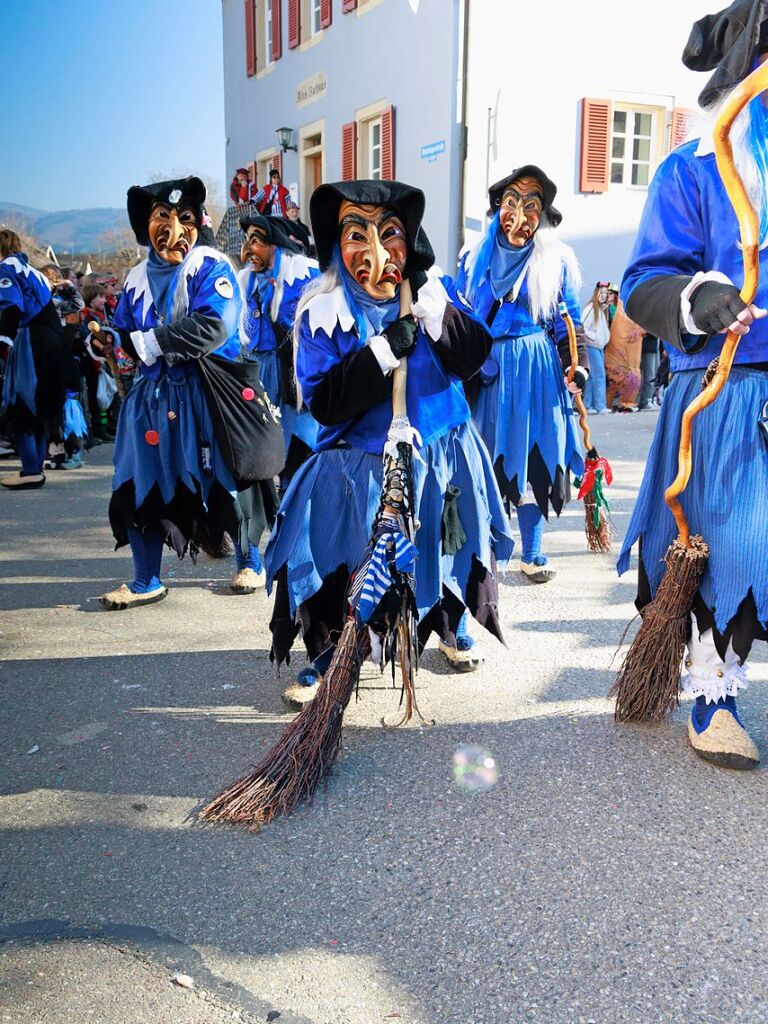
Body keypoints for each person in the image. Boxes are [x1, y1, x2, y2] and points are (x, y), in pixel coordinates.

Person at [264, 179, 514, 703]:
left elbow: (474, 356)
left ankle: (449, 625)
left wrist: (430, 309)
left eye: (390, 233)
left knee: (445, 547)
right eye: (357, 234)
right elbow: (324, 402)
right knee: (343, 563)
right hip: (357, 462)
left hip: (441, 445)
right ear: (336, 245)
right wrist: (380, 353)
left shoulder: (431, 290)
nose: (375, 252)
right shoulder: (319, 311)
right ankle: (335, 653)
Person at [618, 0, 768, 769]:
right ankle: (714, 695)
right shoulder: (692, 169)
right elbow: (642, 282)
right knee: (737, 545)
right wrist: (698, 299)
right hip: (727, 388)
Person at [93, 176, 280, 609]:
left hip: (209, 391)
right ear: (147, 224)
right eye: (163, 216)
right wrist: (106, 341)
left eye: (185, 218)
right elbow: (124, 330)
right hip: (152, 400)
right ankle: (146, 579)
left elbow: (215, 325)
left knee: (230, 478)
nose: (175, 229)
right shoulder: (136, 277)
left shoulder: (212, 267)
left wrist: (150, 342)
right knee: (139, 482)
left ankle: (250, 559)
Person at [455, 165, 587, 587]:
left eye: (532, 205)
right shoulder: (473, 258)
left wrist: (576, 364)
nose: (520, 213)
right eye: (512, 202)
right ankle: (487, 545)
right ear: (498, 208)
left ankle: (532, 551)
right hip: (487, 370)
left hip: (536, 369)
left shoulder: (555, 260)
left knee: (536, 454)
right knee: (484, 457)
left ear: (541, 215)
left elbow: (568, 319)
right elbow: (459, 317)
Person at [238, 213, 320, 478]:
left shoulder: (303, 275)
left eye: (257, 240)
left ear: (275, 244)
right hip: (253, 370)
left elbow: (309, 325)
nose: (249, 248)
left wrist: (281, 311)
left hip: (288, 372)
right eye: (247, 240)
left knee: (294, 448)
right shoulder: (244, 280)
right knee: (254, 445)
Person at [0, 229, 69, 489]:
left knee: (23, 403)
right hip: (53, 341)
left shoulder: (6, 269)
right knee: (42, 405)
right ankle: (36, 466)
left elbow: (12, 308)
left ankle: (31, 469)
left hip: (31, 341)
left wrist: (3, 342)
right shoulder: (35, 271)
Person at [581, 282, 611, 414]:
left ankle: (587, 405)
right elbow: (583, 327)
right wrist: (594, 337)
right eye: (601, 293)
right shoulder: (591, 309)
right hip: (592, 345)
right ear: (596, 293)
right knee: (599, 375)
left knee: (593, 376)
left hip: (597, 346)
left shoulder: (600, 310)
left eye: (606, 293)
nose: (604, 296)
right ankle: (599, 405)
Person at [636, 331, 660, 410]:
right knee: (649, 376)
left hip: (654, 346)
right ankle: (646, 401)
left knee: (654, 375)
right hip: (648, 346)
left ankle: (652, 399)